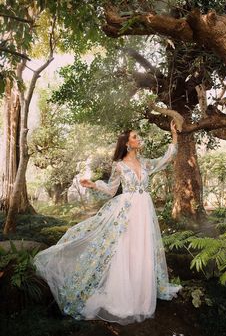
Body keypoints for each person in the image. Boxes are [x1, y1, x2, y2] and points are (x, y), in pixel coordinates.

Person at [33, 119, 182, 325]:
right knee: (127, 251)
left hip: (144, 211)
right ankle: (123, 297)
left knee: (143, 250)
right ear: (127, 143)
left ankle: (141, 297)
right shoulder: (119, 165)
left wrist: (174, 136)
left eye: (138, 136)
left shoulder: (145, 163)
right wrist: (93, 185)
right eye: (135, 136)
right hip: (127, 212)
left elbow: (167, 158)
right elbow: (112, 190)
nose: (139, 139)